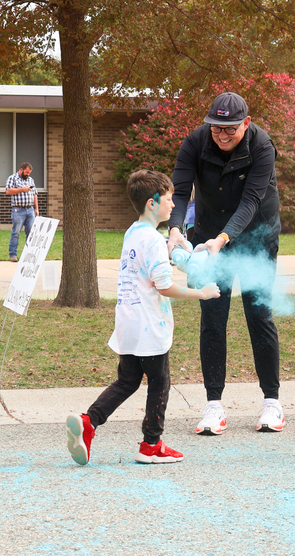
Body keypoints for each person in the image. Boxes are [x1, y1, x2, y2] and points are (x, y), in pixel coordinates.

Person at [66, 170, 220, 466]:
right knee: (160, 383)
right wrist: (201, 293)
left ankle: (89, 422)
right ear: (152, 203)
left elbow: (151, 262)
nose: (174, 205)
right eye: (169, 198)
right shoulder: (151, 239)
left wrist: (174, 248)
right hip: (151, 326)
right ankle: (152, 444)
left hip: (128, 322)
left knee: (128, 380)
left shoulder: (134, 232)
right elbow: (163, 285)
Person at [166, 91, 285, 435]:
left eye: (230, 129)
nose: (222, 135)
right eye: (216, 128)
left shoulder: (261, 146)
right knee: (213, 318)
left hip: (256, 238)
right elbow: (180, 188)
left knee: (257, 314)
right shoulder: (195, 142)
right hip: (208, 237)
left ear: (245, 123)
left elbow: (250, 201)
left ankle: (272, 403)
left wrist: (222, 239)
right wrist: (175, 228)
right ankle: (214, 406)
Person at [5, 162, 38, 262]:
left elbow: (35, 194)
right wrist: (22, 189)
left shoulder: (31, 180)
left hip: (30, 209)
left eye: (29, 173)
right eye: (26, 172)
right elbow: (8, 191)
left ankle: (29, 254)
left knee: (31, 233)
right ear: (21, 170)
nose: (28, 174)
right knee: (16, 232)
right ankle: (13, 254)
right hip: (18, 210)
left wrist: (36, 208)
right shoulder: (12, 178)